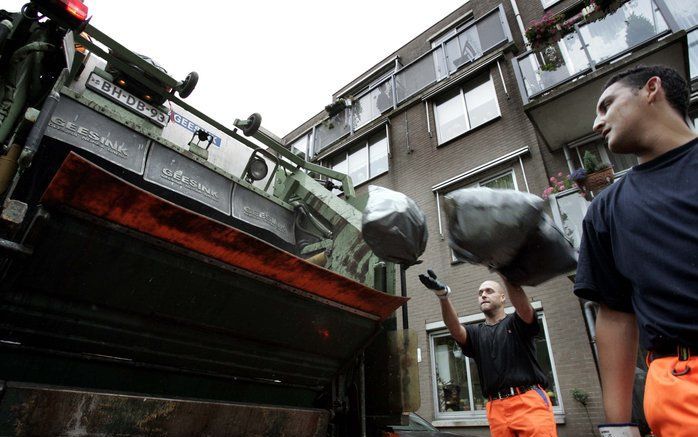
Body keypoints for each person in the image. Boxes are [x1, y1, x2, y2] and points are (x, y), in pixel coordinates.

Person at [575, 65, 698, 437]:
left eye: (606, 106)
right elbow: (614, 316)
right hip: (679, 393)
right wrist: (618, 428)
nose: (597, 124)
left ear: (651, 89)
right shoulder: (604, 211)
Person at [419, 269, 557, 437]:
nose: (483, 295)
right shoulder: (476, 333)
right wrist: (442, 296)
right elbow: (455, 329)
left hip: (528, 401)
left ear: (502, 297)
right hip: (496, 408)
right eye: (480, 293)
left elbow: (525, 309)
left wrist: (505, 273)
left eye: (489, 291)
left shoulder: (516, 322)